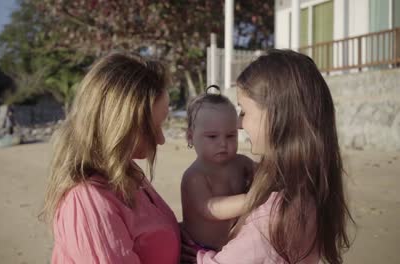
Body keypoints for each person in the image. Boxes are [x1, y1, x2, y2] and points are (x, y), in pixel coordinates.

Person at [183, 49, 353, 264]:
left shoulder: (272, 218)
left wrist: (201, 259)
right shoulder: (311, 186)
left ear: (275, 115)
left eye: (243, 112)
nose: (238, 124)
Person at [40, 53, 180, 263]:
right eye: (152, 129)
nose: (160, 140)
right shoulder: (87, 201)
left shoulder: (125, 172)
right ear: (117, 126)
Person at [181, 86, 254, 251]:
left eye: (230, 135)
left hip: (231, 247)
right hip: (201, 248)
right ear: (190, 137)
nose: (223, 143)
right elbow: (212, 209)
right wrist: (253, 198)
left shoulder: (241, 163)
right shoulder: (195, 175)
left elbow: (268, 175)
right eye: (212, 136)